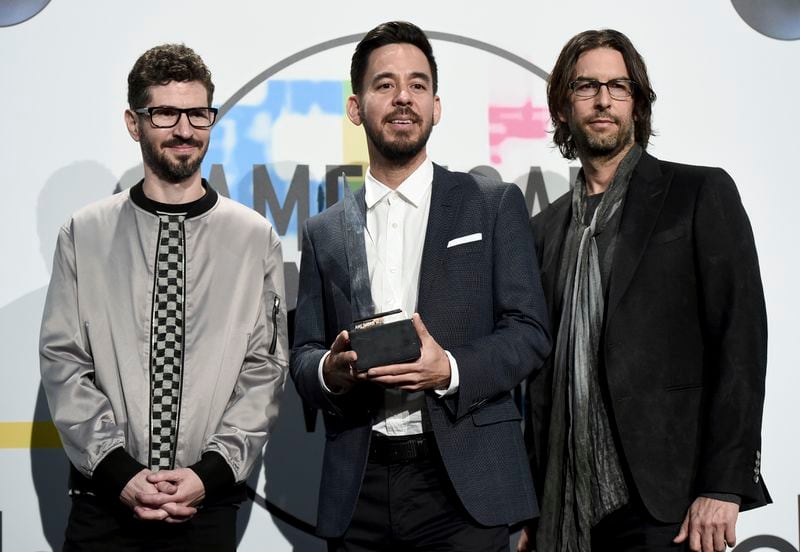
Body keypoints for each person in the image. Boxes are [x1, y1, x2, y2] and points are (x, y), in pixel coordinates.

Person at [290, 21, 551, 552]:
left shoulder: (491, 204)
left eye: (417, 84)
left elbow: (529, 334)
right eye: (384, 84)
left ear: (436, 104)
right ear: (355, 107)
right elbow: (303, 355)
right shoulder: (323, 231)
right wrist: (331, 372)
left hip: (464, 486)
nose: (403, 97)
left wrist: (449, 369)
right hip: (358, 489)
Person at [519, 29, 770, 552]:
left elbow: (740, 342)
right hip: (563, 504)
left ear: (637, 104)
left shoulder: (697, 194)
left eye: (619, 86)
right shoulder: (544, 230)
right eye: (586, 86)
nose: (604, 99)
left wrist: (723, 485)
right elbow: (536, 382)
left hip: (669, 503)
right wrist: (526, 509)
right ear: (563, 108)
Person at [39, 43, 288, 551]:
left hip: (206, 508)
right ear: (134, 123)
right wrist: (119, 472)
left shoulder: (253, 237)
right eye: (166, 113)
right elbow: (63, 362)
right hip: (101, 504)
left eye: (198, 113)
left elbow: (264, 368)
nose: (185, 129)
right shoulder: (83, 234)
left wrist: (209, 473)